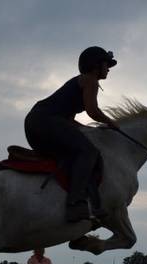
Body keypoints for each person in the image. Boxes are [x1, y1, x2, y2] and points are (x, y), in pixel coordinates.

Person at [24, 46, 120, 222]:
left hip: (36, 123)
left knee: (76, 153)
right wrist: (112, 123)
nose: (108, 69)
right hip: (45, 121)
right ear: (95, 66)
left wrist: (91, 130)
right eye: (106, 64)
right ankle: (75, 204)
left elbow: (69, 120)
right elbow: (93, 111)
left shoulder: (81, 81)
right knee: (89, 152)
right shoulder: (90, 80)